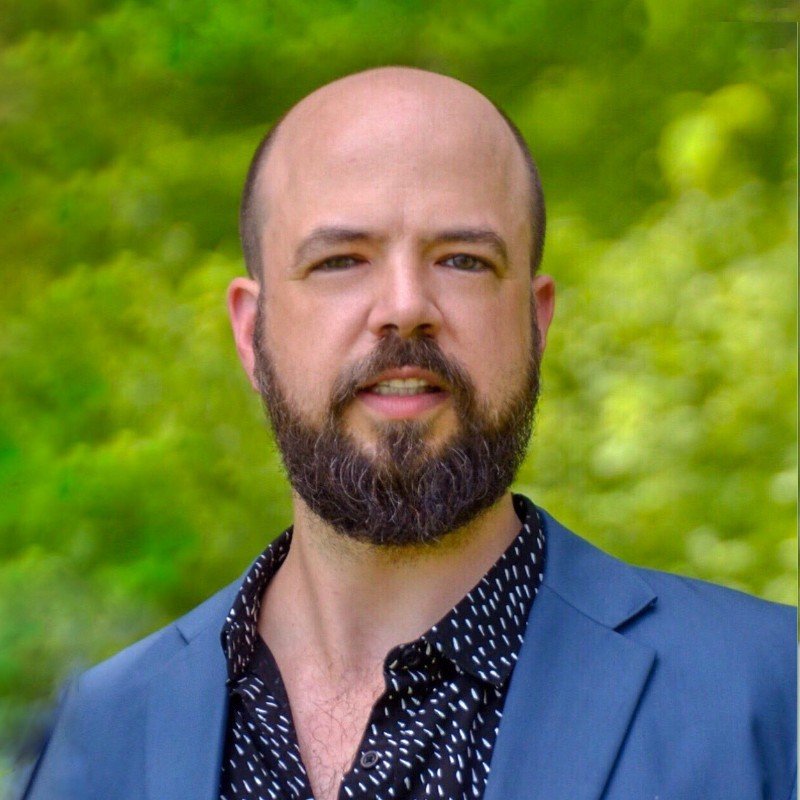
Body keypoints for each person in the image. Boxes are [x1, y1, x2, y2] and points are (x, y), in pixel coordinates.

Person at [19, 67, 796, 800]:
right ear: (252, 332)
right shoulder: (95, 742)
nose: (404, 306)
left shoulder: (768, 694)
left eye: (462, 260)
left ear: (536, 321)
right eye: (340, 261)